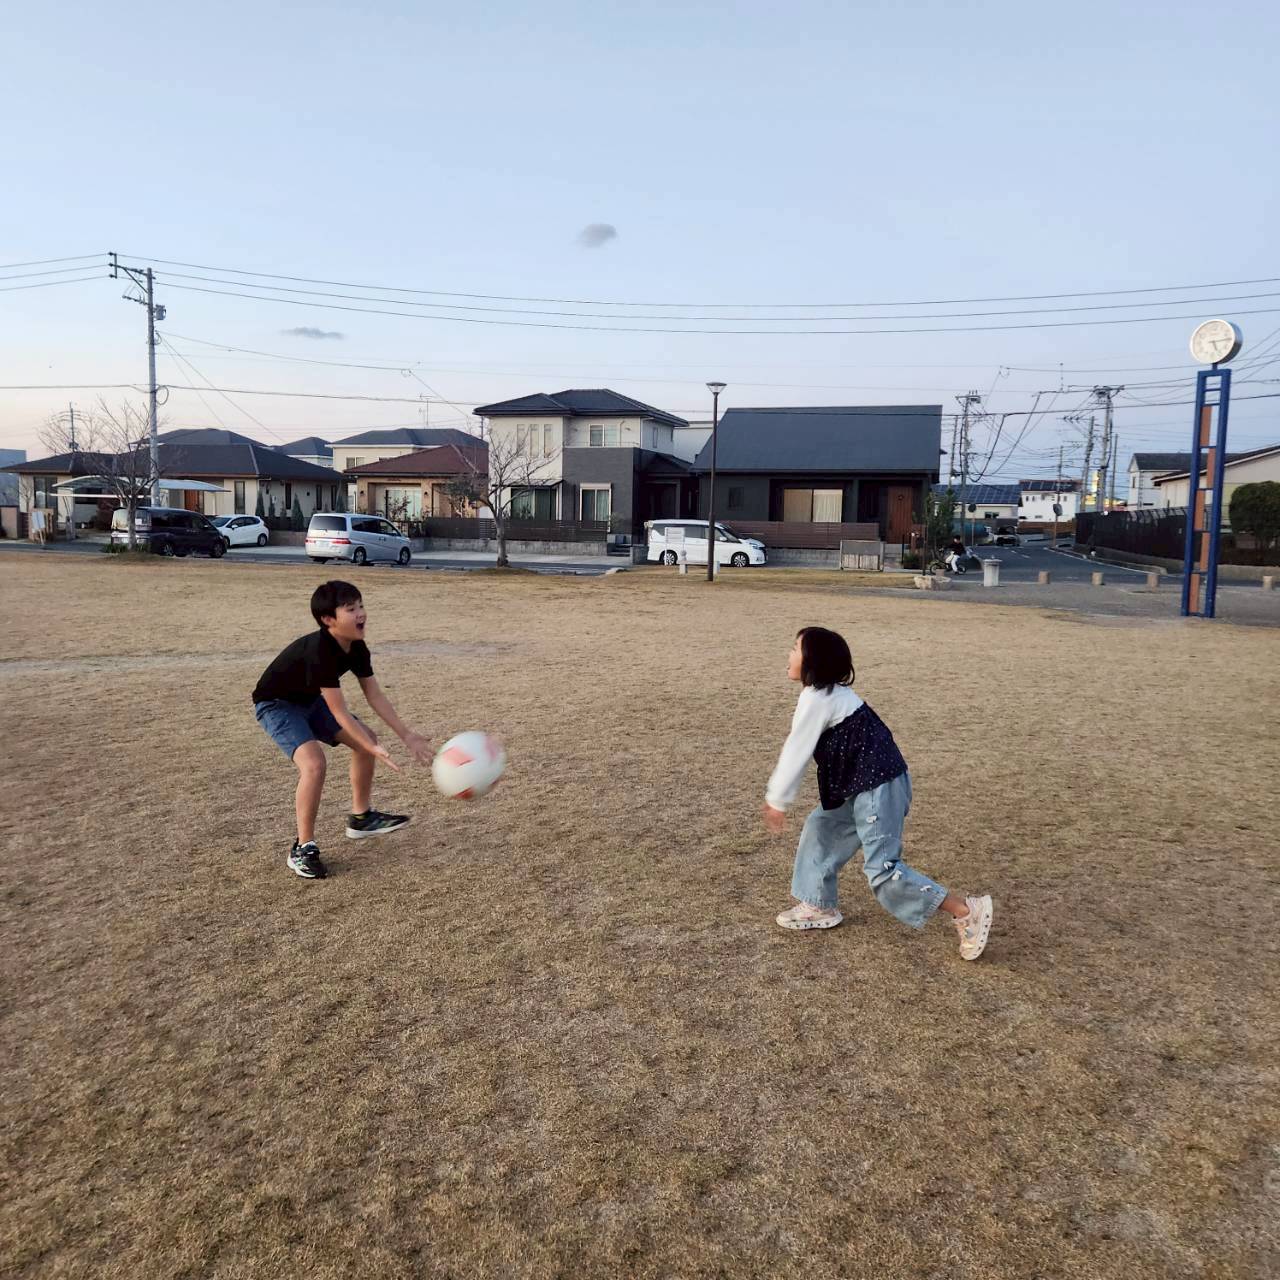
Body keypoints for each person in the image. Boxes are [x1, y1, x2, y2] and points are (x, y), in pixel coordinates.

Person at [762, 626, 994, 959]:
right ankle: (818, 904)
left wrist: (777, 800)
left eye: (795, 648)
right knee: (821, 827)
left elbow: (796, 750)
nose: (789, 654)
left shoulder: (818, 698)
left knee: (883, 870)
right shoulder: (828, 694)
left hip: (878, 788)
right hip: (863, 784)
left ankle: (966, 910)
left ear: (815, 660)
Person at [252, 580, 432, 879]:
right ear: (328, 619)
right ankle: (303, 848)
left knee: (366, 739)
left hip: (310, 700)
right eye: (350, 609)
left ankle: (361, 818)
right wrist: (370, 746)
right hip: (277, 705)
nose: (361, 613)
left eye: (361, 606)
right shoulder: (320, 650)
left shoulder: (356, 647)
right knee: (314, 764)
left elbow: (374, 694)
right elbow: (338, 711)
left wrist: (406, 734)